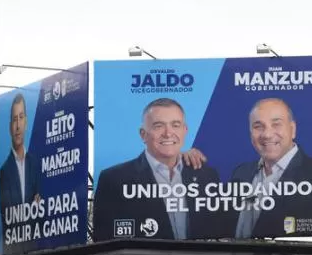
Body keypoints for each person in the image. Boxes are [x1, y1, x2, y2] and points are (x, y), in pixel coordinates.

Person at [92, 97, 222, 241]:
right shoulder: (114, 180)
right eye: (158, 126)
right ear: (143, 134)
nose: (168, 133)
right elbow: (104, 239)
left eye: (176, 125)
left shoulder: (207, 175)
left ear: (185, 130)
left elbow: (220, 229)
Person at [228, 98, 312, 239]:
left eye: (276, 124)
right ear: (250, 133)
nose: (267, 134)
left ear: (292, 130)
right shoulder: (241, 173)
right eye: (258, 126)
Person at [0, 93, 42, 254]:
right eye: (14, 119)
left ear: (26, 122)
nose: (17, 125)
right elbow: (9, 217)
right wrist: (33, 207)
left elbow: (43, 210)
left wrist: (36, 206)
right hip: (13, 251)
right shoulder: (4, 171)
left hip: (36, 249)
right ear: (10, 126)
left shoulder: (36, 164)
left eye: (21, 117)